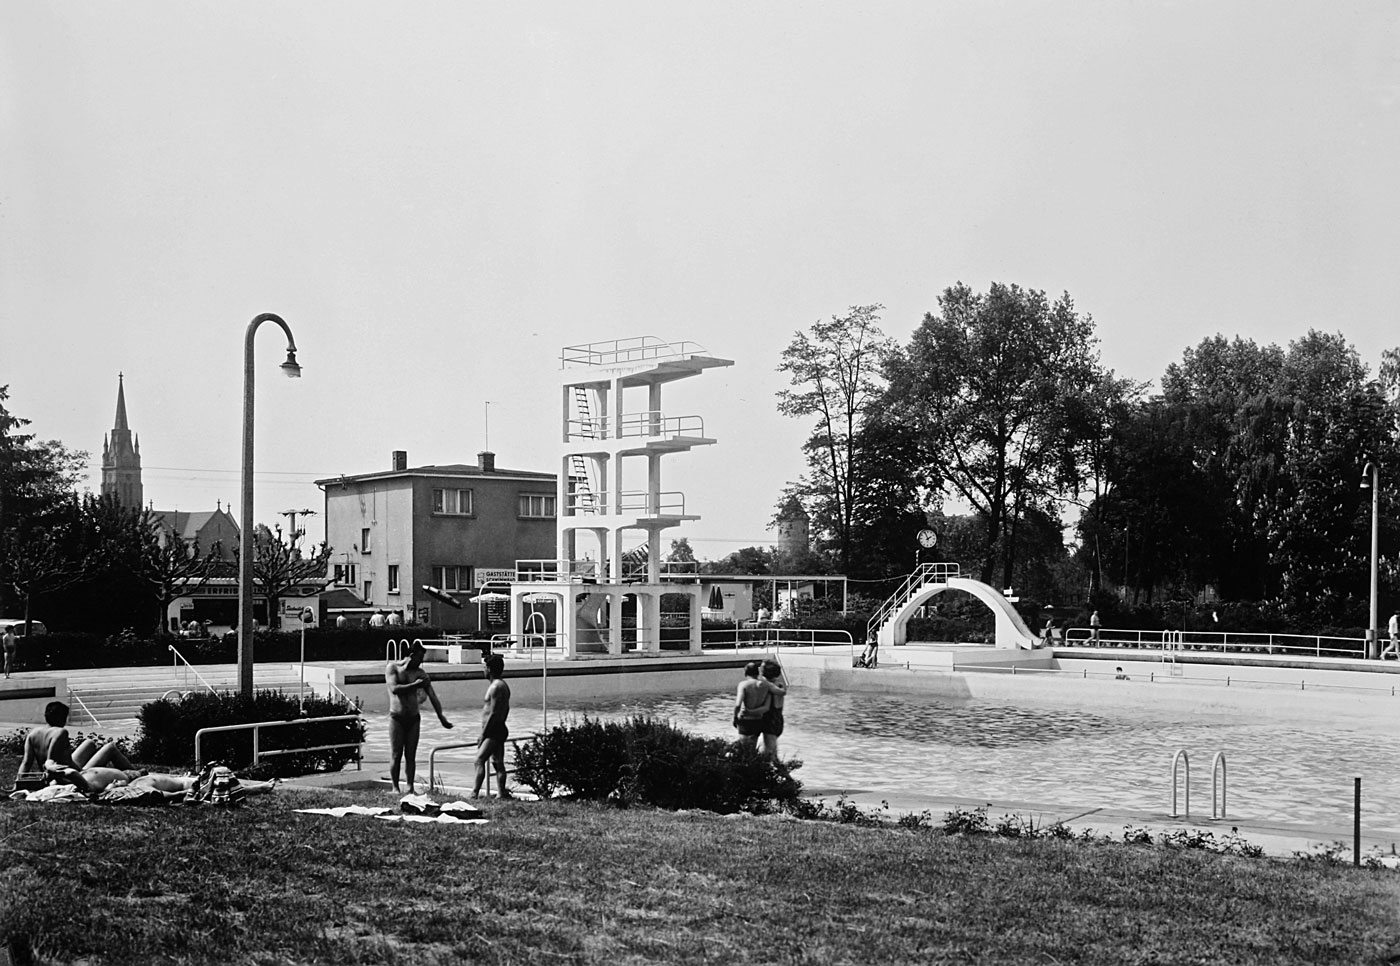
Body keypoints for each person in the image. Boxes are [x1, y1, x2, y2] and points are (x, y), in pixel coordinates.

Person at [17, 701, 141, 792]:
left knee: (89, 743)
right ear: (62, 718)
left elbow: (26, 762)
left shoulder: (33, 733)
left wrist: (18, 784)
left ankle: (134, 773)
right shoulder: (60, 732)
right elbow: (51, 763)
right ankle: (137, 776)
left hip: (64, 769)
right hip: (67, 776)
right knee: (110, 748)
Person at [385, 641, 453, 794]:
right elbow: (394, 689)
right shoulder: (393, 668)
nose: (421, 661)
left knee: (411, 755)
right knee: (396, 754)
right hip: (397, 718)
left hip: (413, 718)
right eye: (420, 657)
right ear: (411, 655)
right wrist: (415, 685)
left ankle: (410, 787)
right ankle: (395, 787)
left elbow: (433, 695)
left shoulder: (420, 673)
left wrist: (441, 717)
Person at [473, 653, 512, 799]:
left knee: (479, 760)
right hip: (499, 727)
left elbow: (494, 713)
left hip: (493, 729)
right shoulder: (503, 685)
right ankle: (501, 793)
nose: (483, 670)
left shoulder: (496, 687)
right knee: (497, 762)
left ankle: (474, 793)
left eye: (484, 667)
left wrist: (483, 734)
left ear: (489, 669)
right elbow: (506, 709)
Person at [732, 661, 771, 750]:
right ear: (757, 673)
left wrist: (735, 717)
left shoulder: (743, 685)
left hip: (745, 719)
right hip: (758, 720)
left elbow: (738, 705)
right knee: (752, 749)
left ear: (745, 672)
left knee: (744, 749)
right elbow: (766, 707)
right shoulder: (766, 685)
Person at [759, 660, 787, 759]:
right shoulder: (780, 684)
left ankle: (782, 772)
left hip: (770, 719)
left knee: (770, 751)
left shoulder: (769, 686)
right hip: (778, 718)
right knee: (770, 749)